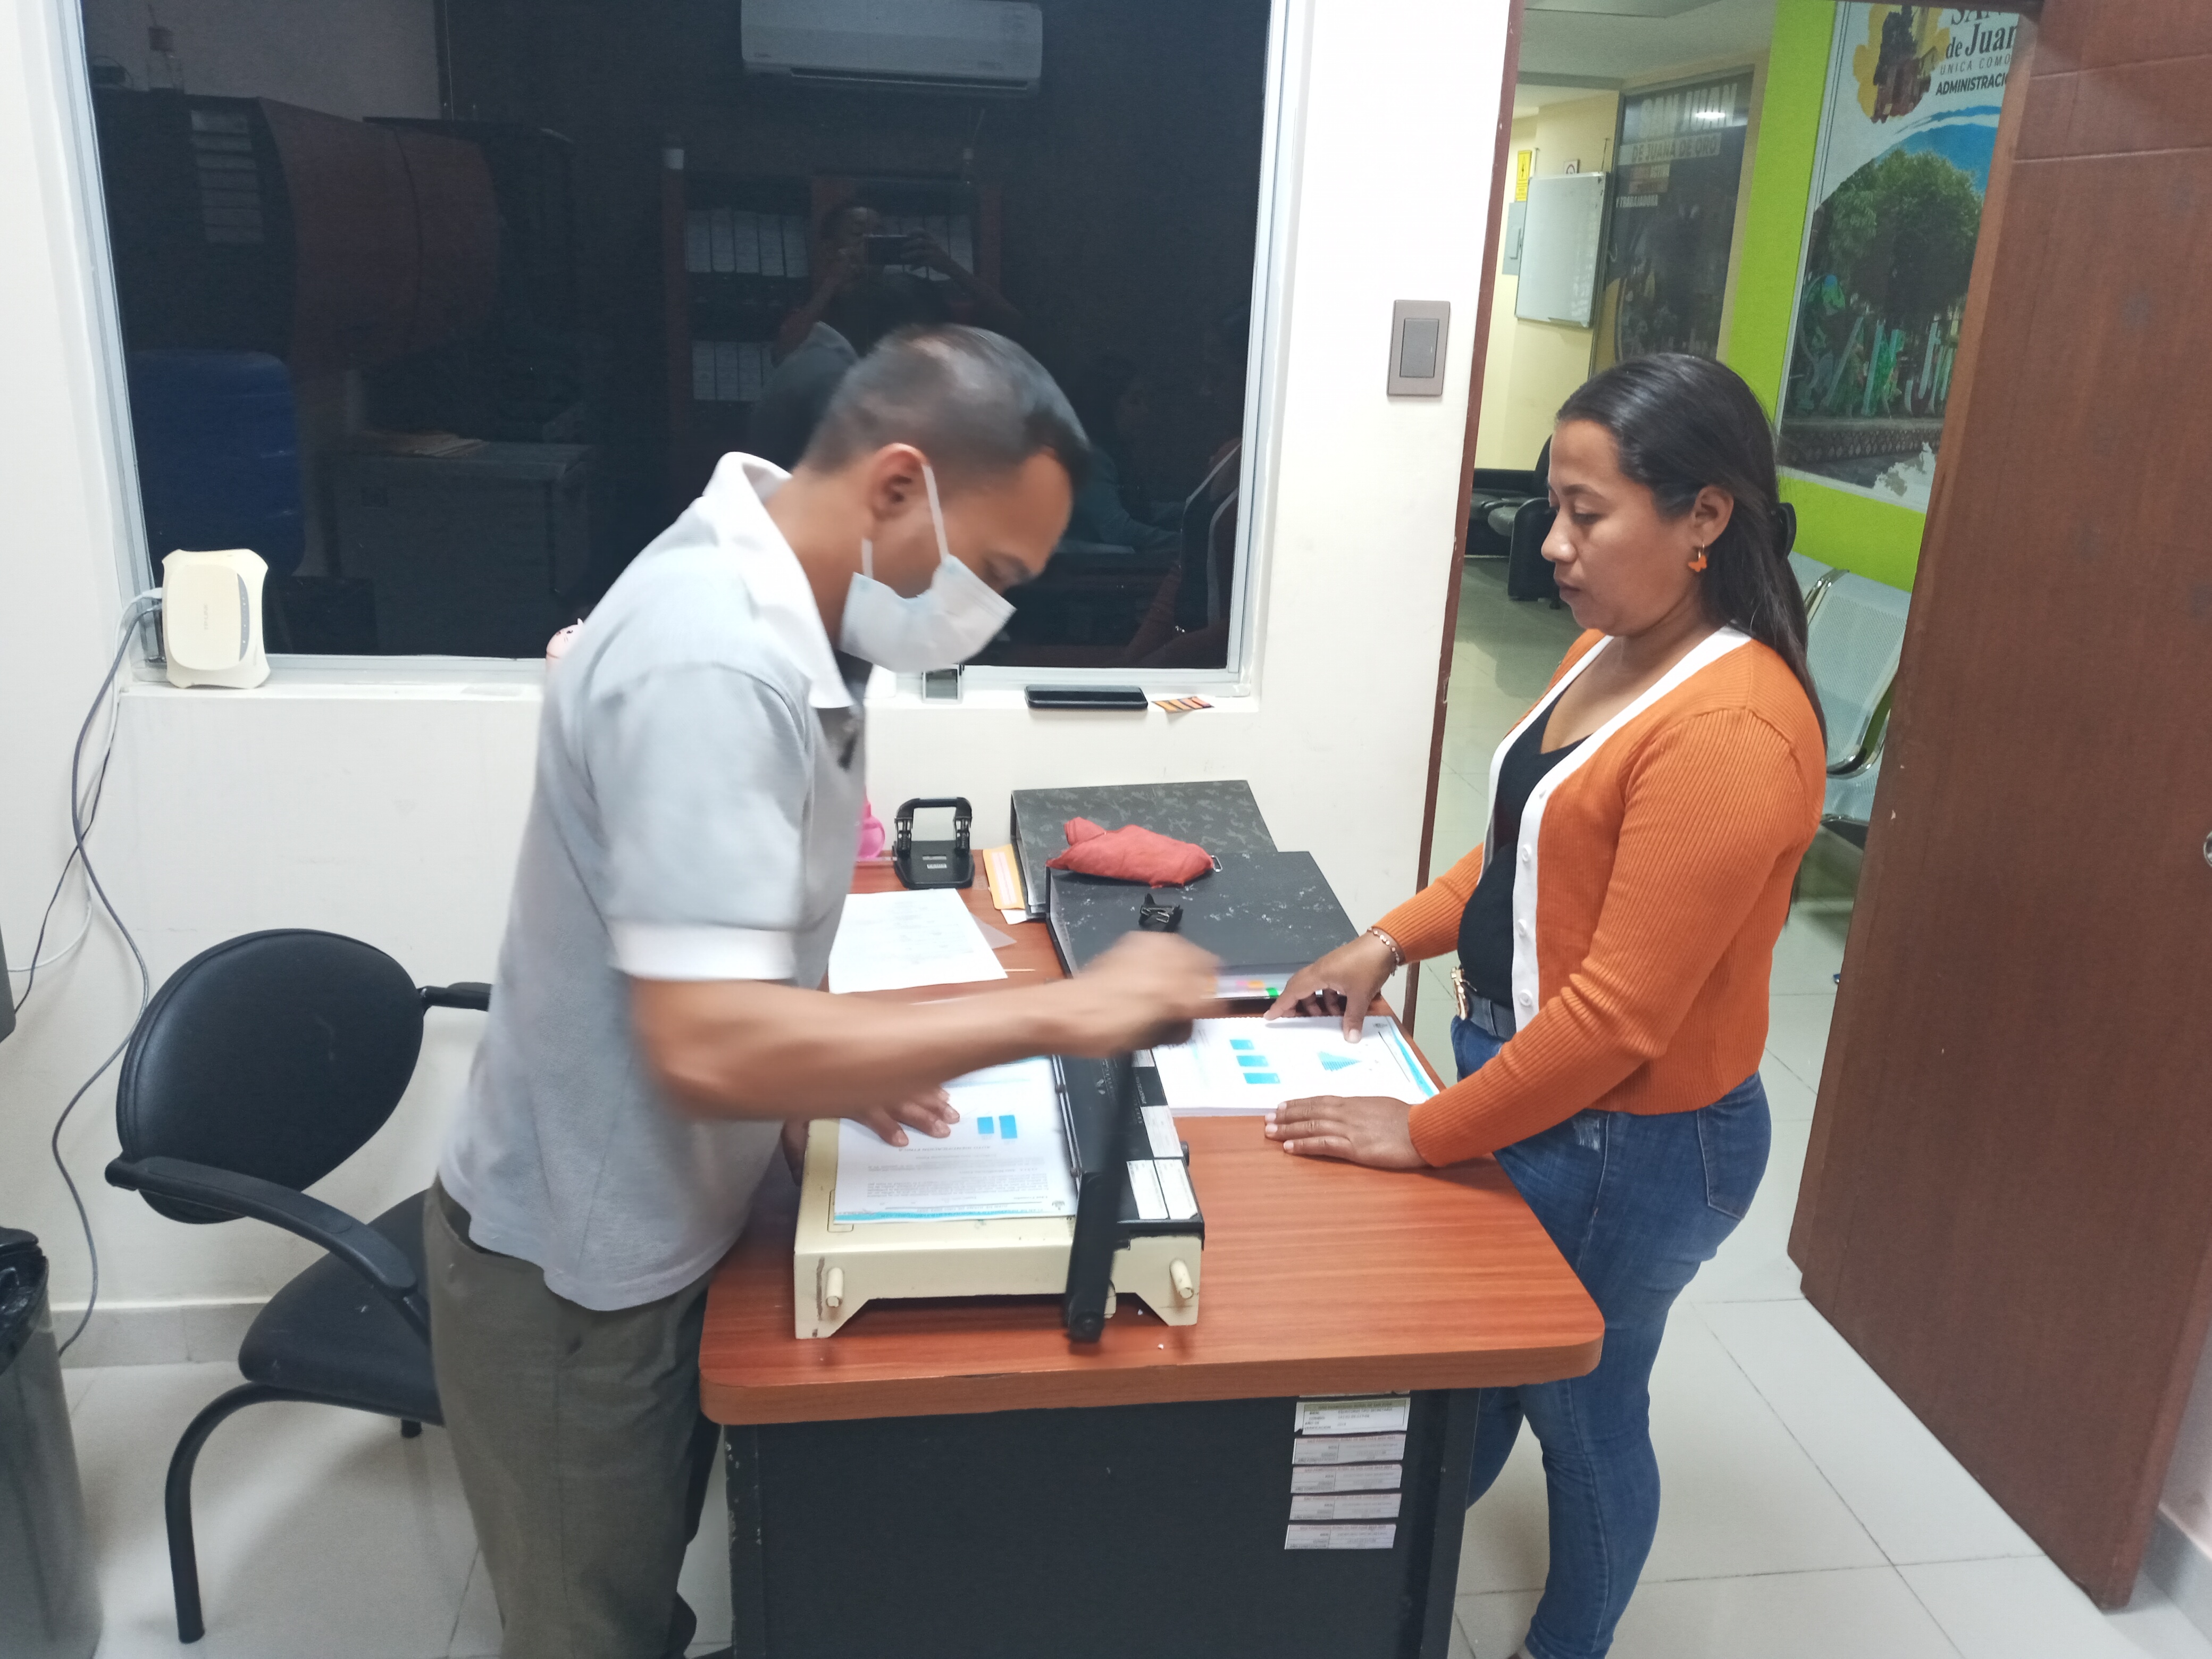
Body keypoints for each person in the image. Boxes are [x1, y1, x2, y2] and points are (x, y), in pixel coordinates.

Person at [426, 325, 1218, 1659]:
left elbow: (739, 954)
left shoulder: (797, 624)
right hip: (577, 1266)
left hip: (678, 1206)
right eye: (994, 571)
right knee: (592, 1629)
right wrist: (1058, 1012)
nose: (991, 611)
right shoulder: (713, 659)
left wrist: (835, 1063)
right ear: (898, 484)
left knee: (655, 1581)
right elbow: (706, 1041)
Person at [1263, 353, 1825, 1659]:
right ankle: (1382, 1595)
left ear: (1703, 517)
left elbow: (1618, 1018)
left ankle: (1563, 1646)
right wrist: (1383, 941)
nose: (1552, 543)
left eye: (1587, 512)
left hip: (1632, 1139)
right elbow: (1518, 850)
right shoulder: (1604, 651)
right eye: (1551, 506)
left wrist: (1423, 1131)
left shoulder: (1732, 729)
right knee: (1492, 1371)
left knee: (1581, 1410)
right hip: (1532, 1087)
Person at [1062, 351, 1179, 553]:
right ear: (1106, 406)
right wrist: (1187, 544)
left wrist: (1188, 509)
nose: (1146, 410)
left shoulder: (1109, 453)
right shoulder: (1092, 458)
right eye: (1135, 401)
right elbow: (1118, 531)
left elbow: (1140, 510)